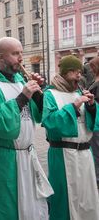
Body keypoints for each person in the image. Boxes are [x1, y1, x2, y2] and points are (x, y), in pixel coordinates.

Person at [0, 37, 53, 220]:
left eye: (21, 53)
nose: (21, 58)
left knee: (29, 207)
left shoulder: (19, 79)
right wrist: (23, 97)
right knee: (5, 209)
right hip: (2, 158)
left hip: (26, 155)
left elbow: (35, 114)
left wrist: (39, 94)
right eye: (15, 54)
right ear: (0, 57)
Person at [42, 55, 99, 220]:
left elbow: (90, 124)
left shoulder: (79, 92)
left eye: (80, 72)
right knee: (66, 199)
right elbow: (50, 121)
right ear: (65, 73)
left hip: (85, 155)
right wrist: (74, 106)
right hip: (63, 154)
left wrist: (91, 106)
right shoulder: (50, 94)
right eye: (74, 72)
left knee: (87, 199)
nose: (78, 76)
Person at [89, 56, 99, 188]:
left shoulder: (97, 84)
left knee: (96, 152)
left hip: (96, 123)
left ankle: (96, 179)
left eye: (91, 67)